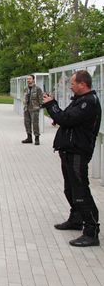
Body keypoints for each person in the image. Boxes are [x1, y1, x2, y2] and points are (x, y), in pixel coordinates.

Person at [42, 70, 101, 247]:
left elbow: (66, 119)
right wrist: (56, 115)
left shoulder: (88, 102)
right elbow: (65, 118)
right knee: (70, 189)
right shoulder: (80, 100)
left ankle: (91, 231)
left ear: (83, 84)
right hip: (69, 151)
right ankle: (76, 219)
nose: (70, 85)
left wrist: (51, 104)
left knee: (80, 191)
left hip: (78, 152)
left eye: (73, 83)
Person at [22, 74, 43, 145]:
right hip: (26, 108)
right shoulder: (25, 88)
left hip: (34, 109)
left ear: (33, 80)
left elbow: (41, 99)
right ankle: (29, 137)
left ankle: (37, 138)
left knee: (35, 123)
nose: (28, 80)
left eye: (30, 79)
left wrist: (39, 107)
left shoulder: (38, 89)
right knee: (27, 123)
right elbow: (24, 98)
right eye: (27, 79)